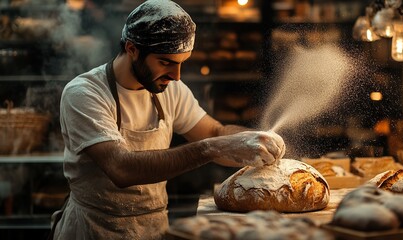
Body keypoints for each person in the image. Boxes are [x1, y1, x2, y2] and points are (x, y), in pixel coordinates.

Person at [52, 0, 285, 239]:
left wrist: (257, 141)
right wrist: (211, 148)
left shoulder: (170, 89)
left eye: (181, 63)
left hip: (152, 228)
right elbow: (121, 168)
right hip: (93, 229)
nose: (176, 76)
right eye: (166, 62)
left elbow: (215, 132)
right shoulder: (85, 93)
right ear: (132, 49)